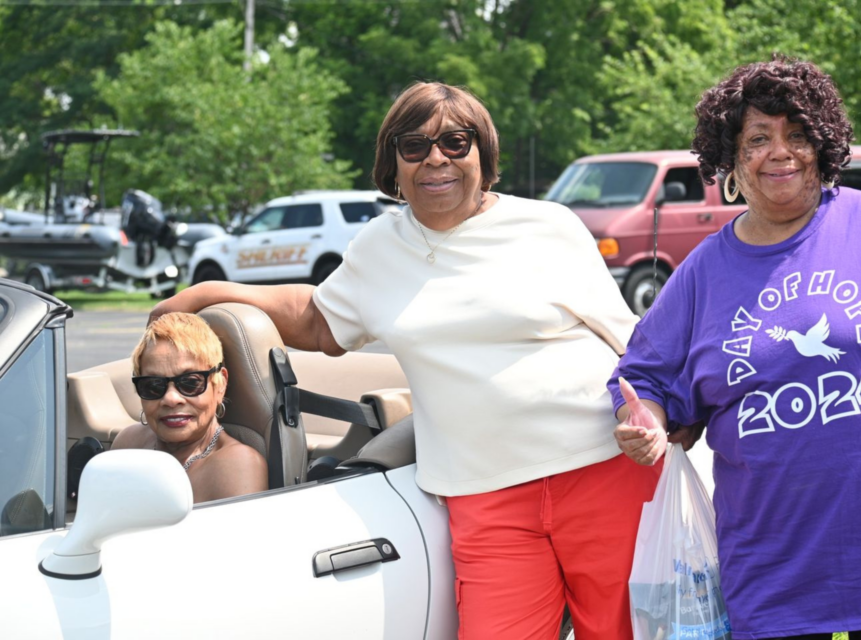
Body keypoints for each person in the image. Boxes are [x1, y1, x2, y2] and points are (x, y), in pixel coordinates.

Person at [149, 81, 661, 639]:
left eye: (455, 142)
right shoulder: (380, 245)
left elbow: (633, 345)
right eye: (414, 146)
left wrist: (654, 417)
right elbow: (319, 319)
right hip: (483, 495)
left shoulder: (549, 226)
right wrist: (207, 292)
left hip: (601, 471)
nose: (435, 158)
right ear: (393, 163)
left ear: (483, 155)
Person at [610, 56, 861, 640]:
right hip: (776, 567)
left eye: (798, 135)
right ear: (729, 158)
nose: (781, 152)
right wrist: (641, 418)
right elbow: (642, 378)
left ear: (823, 147)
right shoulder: (702, 275)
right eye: (757, 139)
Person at [113, 312, 268, 503]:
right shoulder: (128, 444)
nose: (171, 399)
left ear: (220, 385)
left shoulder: (239, 464)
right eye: (153, 385)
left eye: (189, 383)